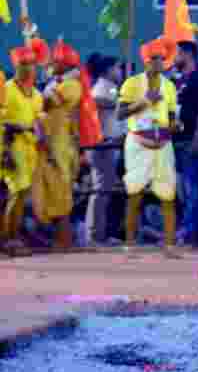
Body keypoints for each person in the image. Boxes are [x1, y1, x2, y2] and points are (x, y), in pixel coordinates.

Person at [32, 39, 102, 251]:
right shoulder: (59, 83)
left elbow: (46, 103)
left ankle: (65, 242)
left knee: (60, 194)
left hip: (61, 146)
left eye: (55, 62)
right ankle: (60, 240)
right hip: (50, 143)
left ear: (65, 65)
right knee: (51, 193)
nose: (52, 65)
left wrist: (35, 85)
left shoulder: (73, 85)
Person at [117, 37, 182, 258]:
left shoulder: (170, 86)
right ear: (145, 61)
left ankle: (170, 246)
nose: (158, 63)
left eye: (161, 59)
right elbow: (120, 114)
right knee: (134, 195)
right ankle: (129, 245)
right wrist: (144, 102)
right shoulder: (132, 83)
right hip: (138, 145)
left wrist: (175, 125)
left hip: (163, 145)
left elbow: (172, 116)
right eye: (154, 59)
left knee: (168, 196)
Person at [0, 40, 47, 257]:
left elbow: (37, 121)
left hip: (29, 147)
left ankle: (13, 237)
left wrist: (41, 136)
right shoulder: (6, 90)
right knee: (17, 192)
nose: (28, 69)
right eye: (23, 65)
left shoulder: (37, 94)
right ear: (16, 67)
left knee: (21, 193)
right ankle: (7, 239)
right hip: (9, 144)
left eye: (31, 64)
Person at [173, 40, 198, 248]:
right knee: (183, 189)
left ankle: (192, 233)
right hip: (176, 140)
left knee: (193, 188)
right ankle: (193, 230)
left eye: (177, 53)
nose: (173, 57)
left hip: (192, 140)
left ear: (187, 53)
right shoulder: (177, 78)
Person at [84, 54, 124, 246]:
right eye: (118, 67)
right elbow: (94, 100)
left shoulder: (111, 88)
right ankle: (93, 235)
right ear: (108, 70)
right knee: (100, 190)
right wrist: (118, 104)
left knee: (105, 190)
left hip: (111, 144)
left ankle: (99, 233)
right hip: (102, 145)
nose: (121, 71)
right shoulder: (101, 87)